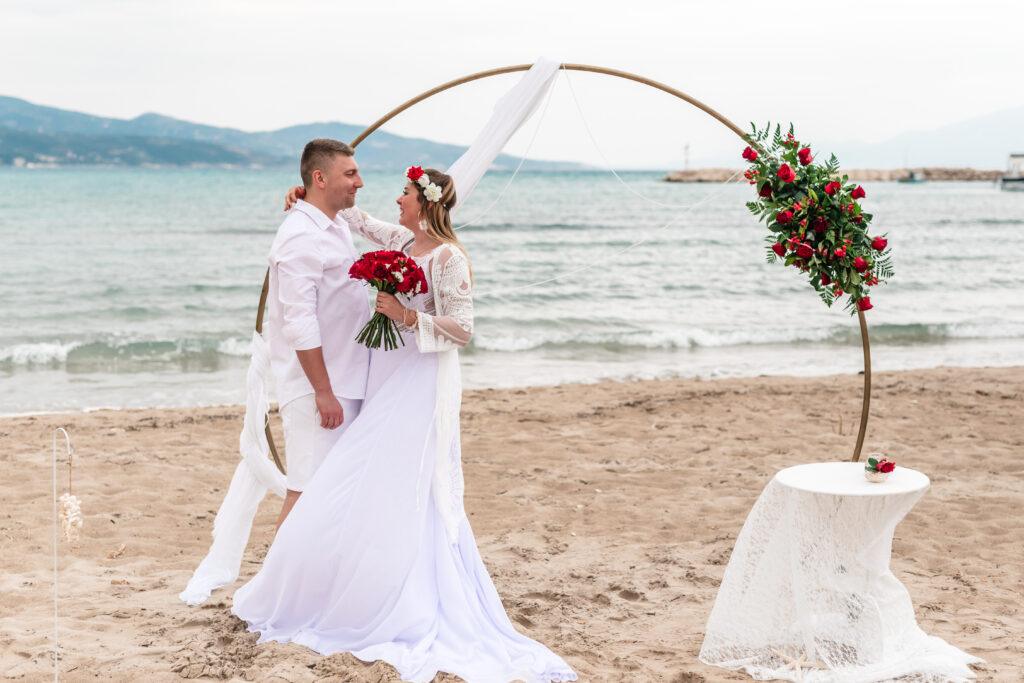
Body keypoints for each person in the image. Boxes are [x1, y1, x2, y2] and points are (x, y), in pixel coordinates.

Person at [231, 167, 577, 683]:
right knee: (374, 481)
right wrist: (306, 194)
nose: (397, 199)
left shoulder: (448, 258)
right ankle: (354, 579)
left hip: (418, 383)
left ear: (425, 201)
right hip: (383, 376)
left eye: (406, 193)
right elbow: (357, 217)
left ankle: (396, 591)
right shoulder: (403, 242)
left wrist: (406, 316)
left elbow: (463, 329)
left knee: (394, 479)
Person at [265, 138, 370, 529]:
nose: (359, 182)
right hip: (317, 387)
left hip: (345, 376)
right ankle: (276, 588)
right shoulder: (300, 236)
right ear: (320, 178)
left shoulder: (334, 224)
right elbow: (299, 321)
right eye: (351, 173)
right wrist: (323, 392)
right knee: (305, 489)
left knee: (331, 489)